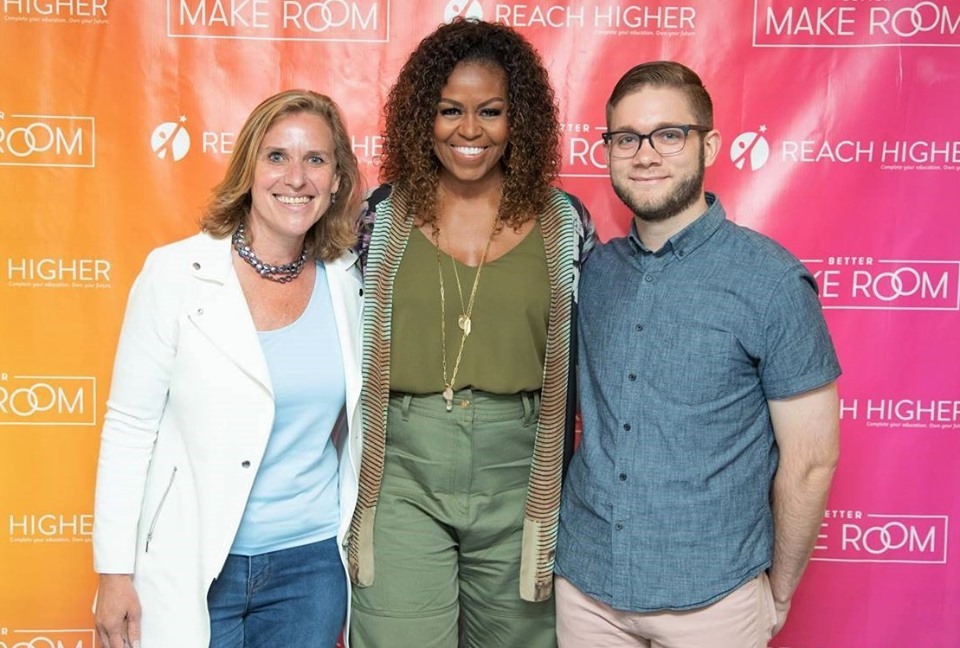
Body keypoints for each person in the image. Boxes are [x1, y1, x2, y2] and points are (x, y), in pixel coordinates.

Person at [555, 61, 842, 647]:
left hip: (715, 596)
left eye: (669, 134)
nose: (645, 154)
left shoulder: (772, 282)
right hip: (586, 588)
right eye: (626, 138)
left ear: (708, 143)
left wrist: (779, 590)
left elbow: (812, 459)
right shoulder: (594, 273)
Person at [346, 18, 595, 648]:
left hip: (522, 472)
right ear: (420, 116)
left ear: (521, 120)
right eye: (449, 110)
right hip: (402, 467)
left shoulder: (566, 223)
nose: (469, 130)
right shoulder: (381, 217)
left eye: (491, 111)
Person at [92, 89, 364, 648]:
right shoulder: (173, 274)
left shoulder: (348, 281)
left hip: (308, 568)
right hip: (192, 560)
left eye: (316, 160)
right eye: (277, 156)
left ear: (337, 181)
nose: (297, 177)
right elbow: (129, 427)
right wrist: (113, 572)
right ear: (249, 168)